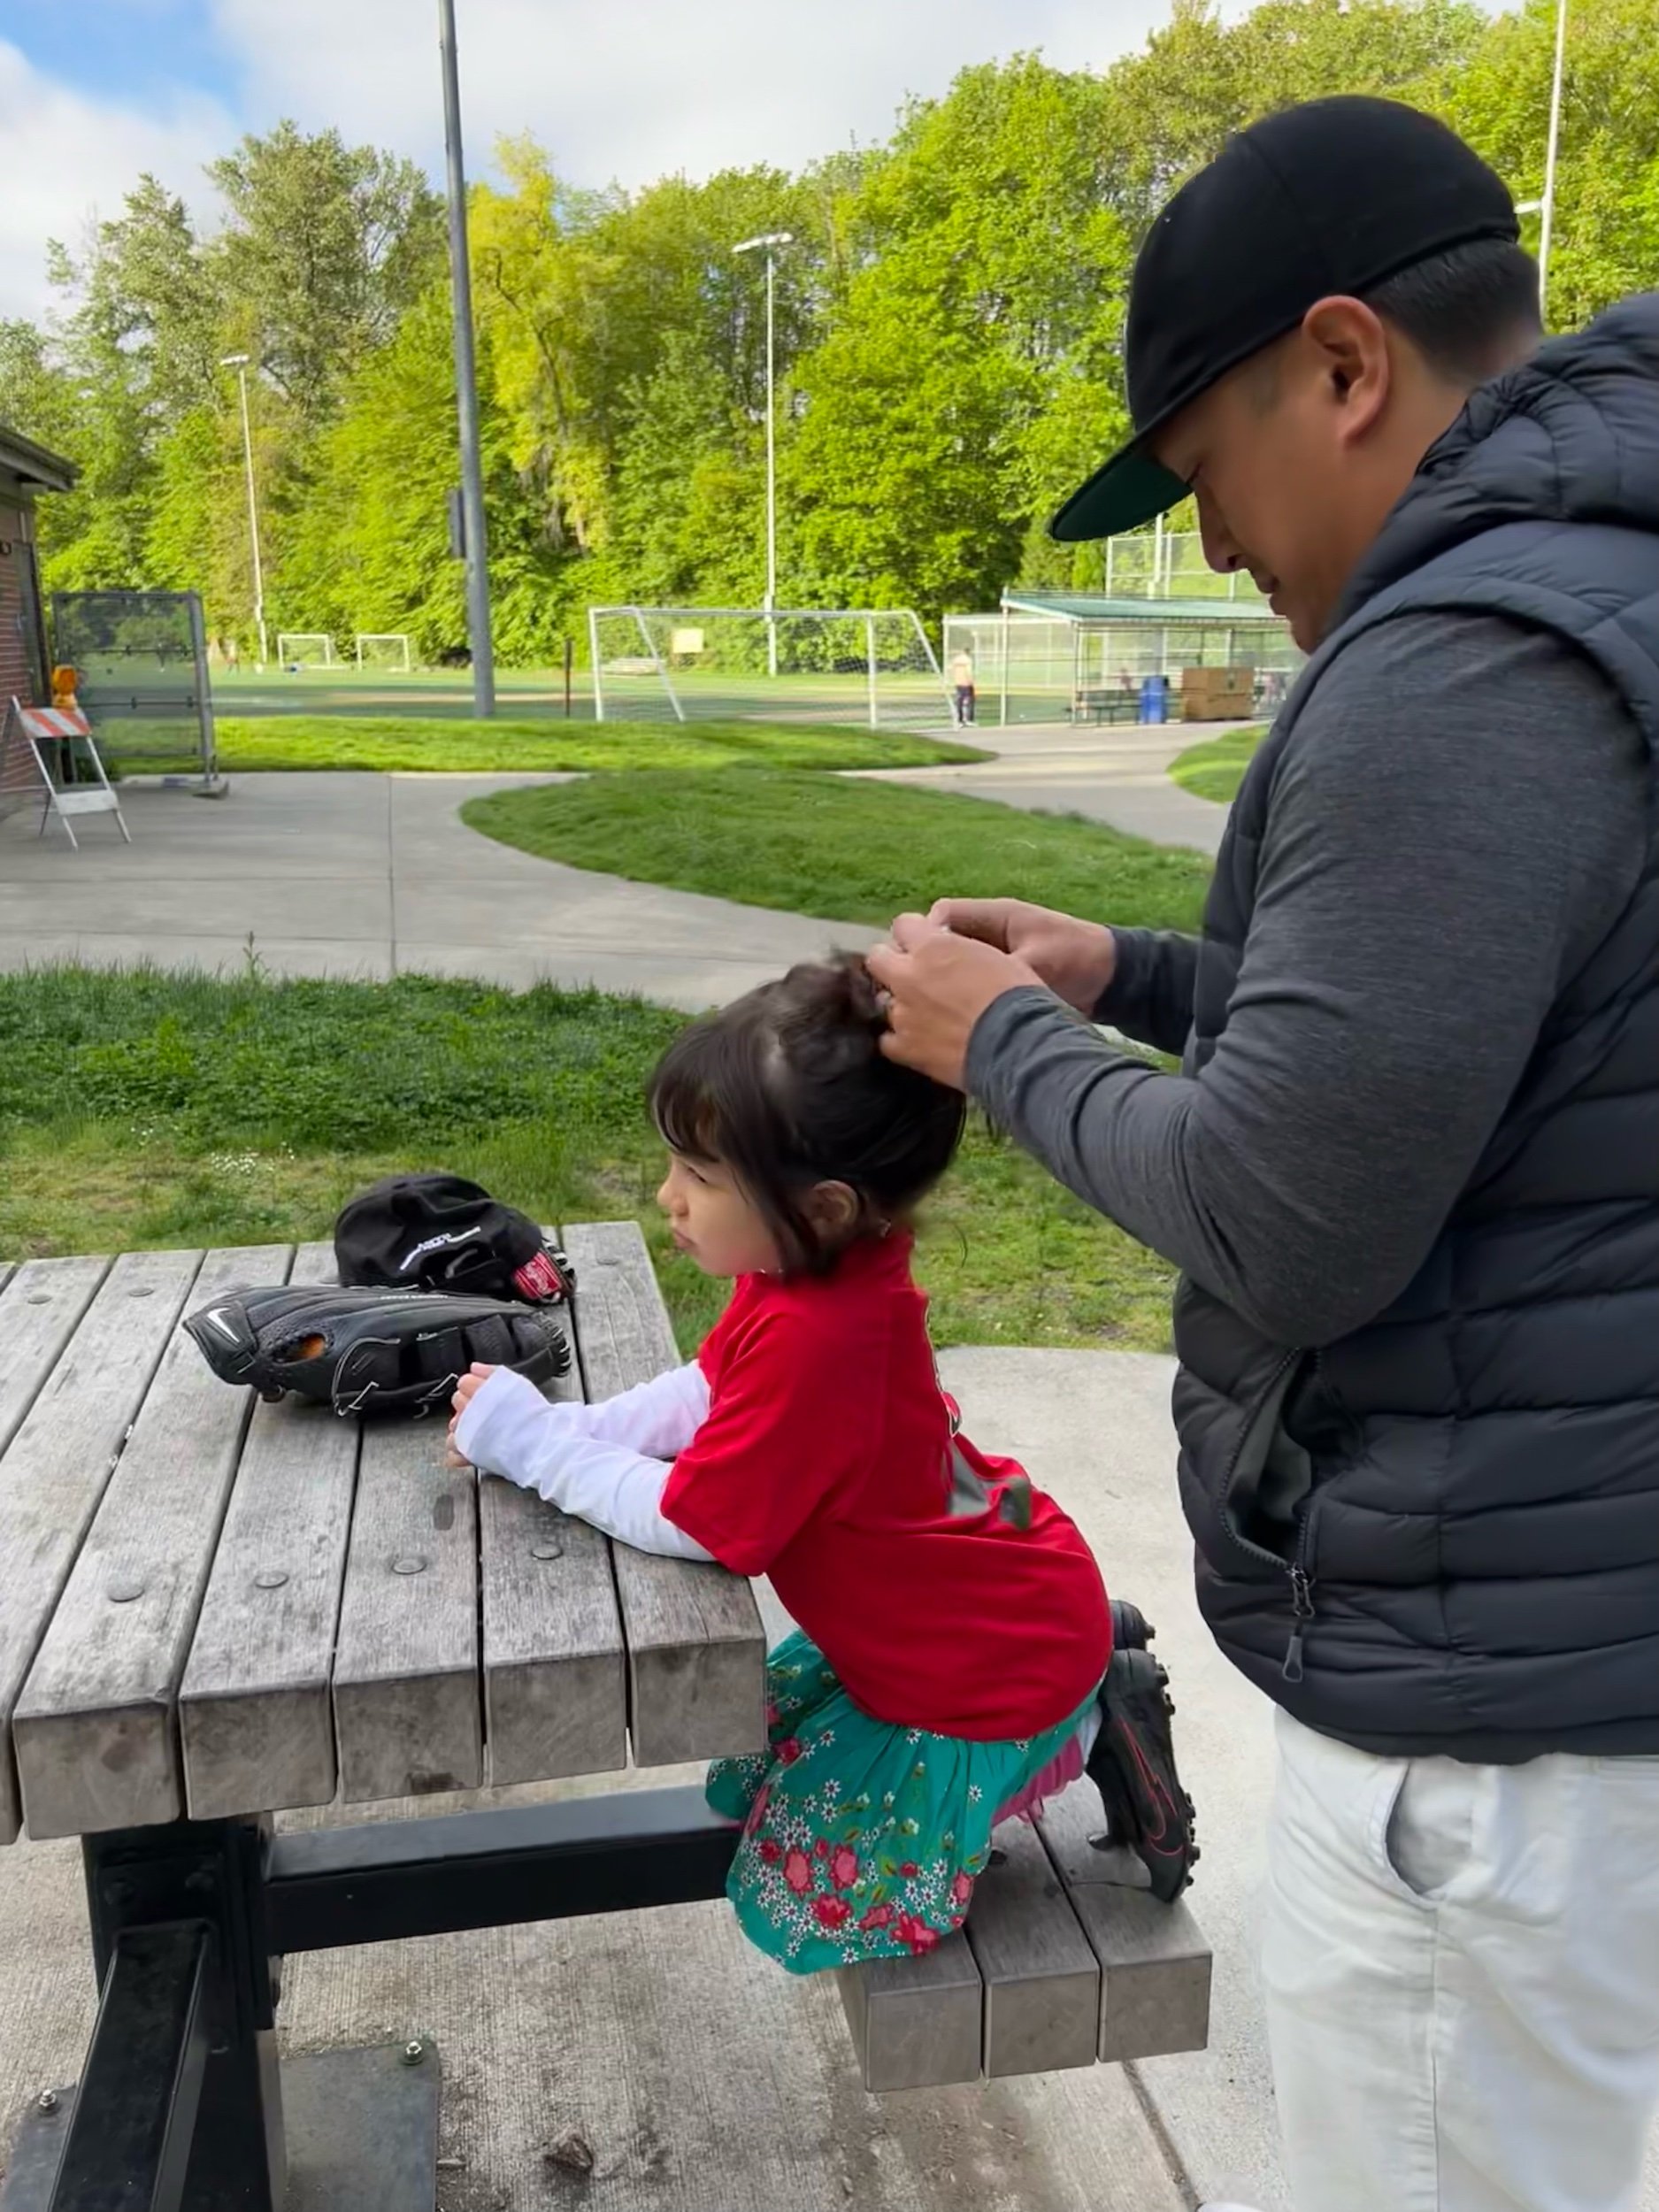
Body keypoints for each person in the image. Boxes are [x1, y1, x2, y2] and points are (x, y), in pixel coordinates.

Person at [869, 95, 1659, 2212]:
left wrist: (998, 1037)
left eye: (1201, 470)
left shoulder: (1463, 659)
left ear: (1340, 367)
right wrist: (1126, 967)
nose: (1209, 548)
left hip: (1482, 1747)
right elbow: (1482, 1051)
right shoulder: (1605, 589)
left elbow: (1285, 1215)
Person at [448, 956, 1194, 1972]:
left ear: (828, 1204)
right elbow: (705, 1390)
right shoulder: (807, 1275)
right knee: (748, 1775)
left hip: (978, 1673)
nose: (668, 1195)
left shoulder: (823, 1336)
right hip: (965, 1593)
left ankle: (1096, 1703)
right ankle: (1080, 1661)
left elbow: (704, 1521)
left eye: (702, 1177)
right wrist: (566, 1428)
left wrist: (533, 1447)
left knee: (820, 1892)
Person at [949, 646, 977, 724]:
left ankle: (959, 719)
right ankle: (969, 719)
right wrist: (972, 682)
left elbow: (952, 670)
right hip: (966, 683)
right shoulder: (968, 660)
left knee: (959, 701)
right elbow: (969, 672)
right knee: (970, 701)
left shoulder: (956, 660)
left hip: (958, 683)